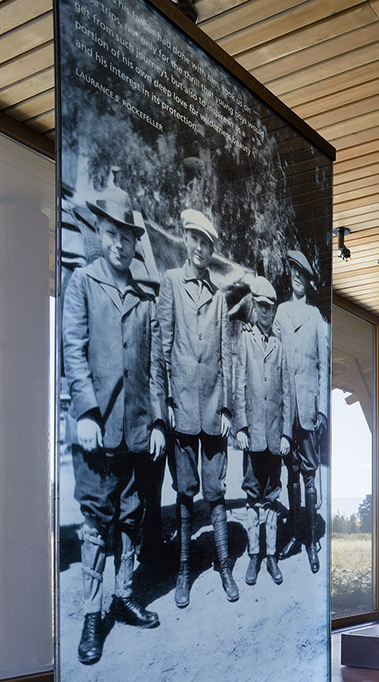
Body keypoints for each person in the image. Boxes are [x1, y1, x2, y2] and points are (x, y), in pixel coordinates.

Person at [62, 190, 166, 665]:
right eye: (112, 235)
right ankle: (91, 615)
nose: (120, 245)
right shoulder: (82, 283)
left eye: (127, 237)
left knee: (131, 517)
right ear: (100, 235)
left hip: (137, 432)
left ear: (134, 242)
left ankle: (123, 598)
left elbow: (155, 366)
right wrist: (85, 411)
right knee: (95, 523)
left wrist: (159, 420)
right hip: (97, 432)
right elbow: (73, 350)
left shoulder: (145, 298)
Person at [158, 209, 237, 608]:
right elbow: (162, 346)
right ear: (186, 241)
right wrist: (167, 402)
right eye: (196, 240)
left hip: (212, 409)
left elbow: (226, 355)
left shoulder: (219, 298)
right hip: (183, 407)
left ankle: (224, 566)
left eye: (207, 244)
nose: (201, 249)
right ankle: (184, 569)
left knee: (216, 489)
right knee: (185, 490)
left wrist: (227, 409)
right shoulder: (171, 282)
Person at [232, 276, 293, 585]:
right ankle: (254, 555)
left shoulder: (280, 347)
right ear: (254, 308)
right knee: (253, 494)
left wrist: (286, 434)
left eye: (270, 307)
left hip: (274, 438)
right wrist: (241, 427)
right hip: (253, 436)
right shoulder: (245, 341)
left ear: (274, 310)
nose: (266, 312)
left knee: (272, 494)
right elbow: (239, 386)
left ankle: (271, 556)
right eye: (261, 306)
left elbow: (287, 394)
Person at [274, 250, 329, 573]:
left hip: (308, 409)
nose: (297, 277)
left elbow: (323, 368)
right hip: (286, 410)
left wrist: (322, 411)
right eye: (293, 271)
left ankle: (310, 540)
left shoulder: (316, 318)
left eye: (302, 273)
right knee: (291, 473)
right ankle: (295, 534)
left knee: (309, 473)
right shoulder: (281, 313)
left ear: (308, 280)